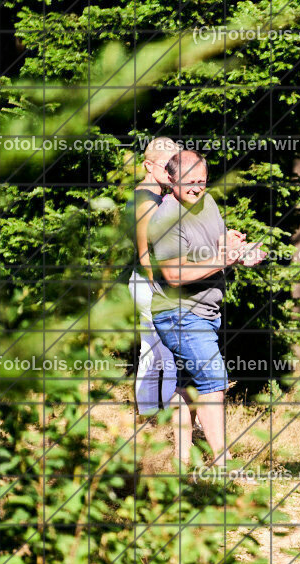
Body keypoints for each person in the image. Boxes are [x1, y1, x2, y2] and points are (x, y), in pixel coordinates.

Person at [147, 149, 266, 466]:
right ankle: (222, 464)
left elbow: (218, 240)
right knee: (213, 380)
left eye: (202, 181)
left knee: (187, 387)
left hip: (205, 313)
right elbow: (173, 274)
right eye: (190, 182)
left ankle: (182, 463)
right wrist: (222, 260)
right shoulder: (164, 219)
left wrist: (238, 246)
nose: (197, 188)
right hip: (179, 314)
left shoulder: (207, 203)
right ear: (171, 179)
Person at [126, 137, 180, 417]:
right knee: (169, 353)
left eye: (175, 166)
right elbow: (145, 252)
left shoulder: (155, 195)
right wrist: (162, 288)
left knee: (154, 351)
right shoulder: (145, 199)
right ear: (148, 165)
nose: (172, 172)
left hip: (148, 283)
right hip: (149, 283)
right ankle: (168, 419)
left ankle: (149, 415)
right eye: (166, 166)